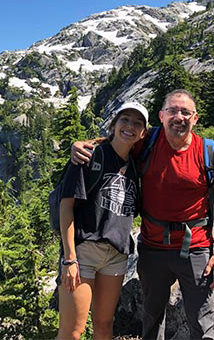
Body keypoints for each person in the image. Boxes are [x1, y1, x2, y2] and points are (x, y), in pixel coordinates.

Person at [72, 89, 214, 340]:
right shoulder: (148, 144)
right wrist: (85, 144)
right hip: (153, 248)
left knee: (203, 323)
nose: (179, 117)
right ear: (162, 115)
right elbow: (120, 140)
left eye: (185, 112)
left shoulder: (209, 153)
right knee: (152, 319)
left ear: (195, 118)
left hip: (196, 249)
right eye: (172, 111)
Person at [57, 101, 148, 340]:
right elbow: (65, 207)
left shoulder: (137, 168)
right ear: (113, 124)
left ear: (143, 133)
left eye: (138, 123)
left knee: (105, 324)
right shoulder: (89, 155)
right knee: (72, 333)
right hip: (83, 253)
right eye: (125, 120)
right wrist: (69, 259)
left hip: (116, 257)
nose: (130, 126)